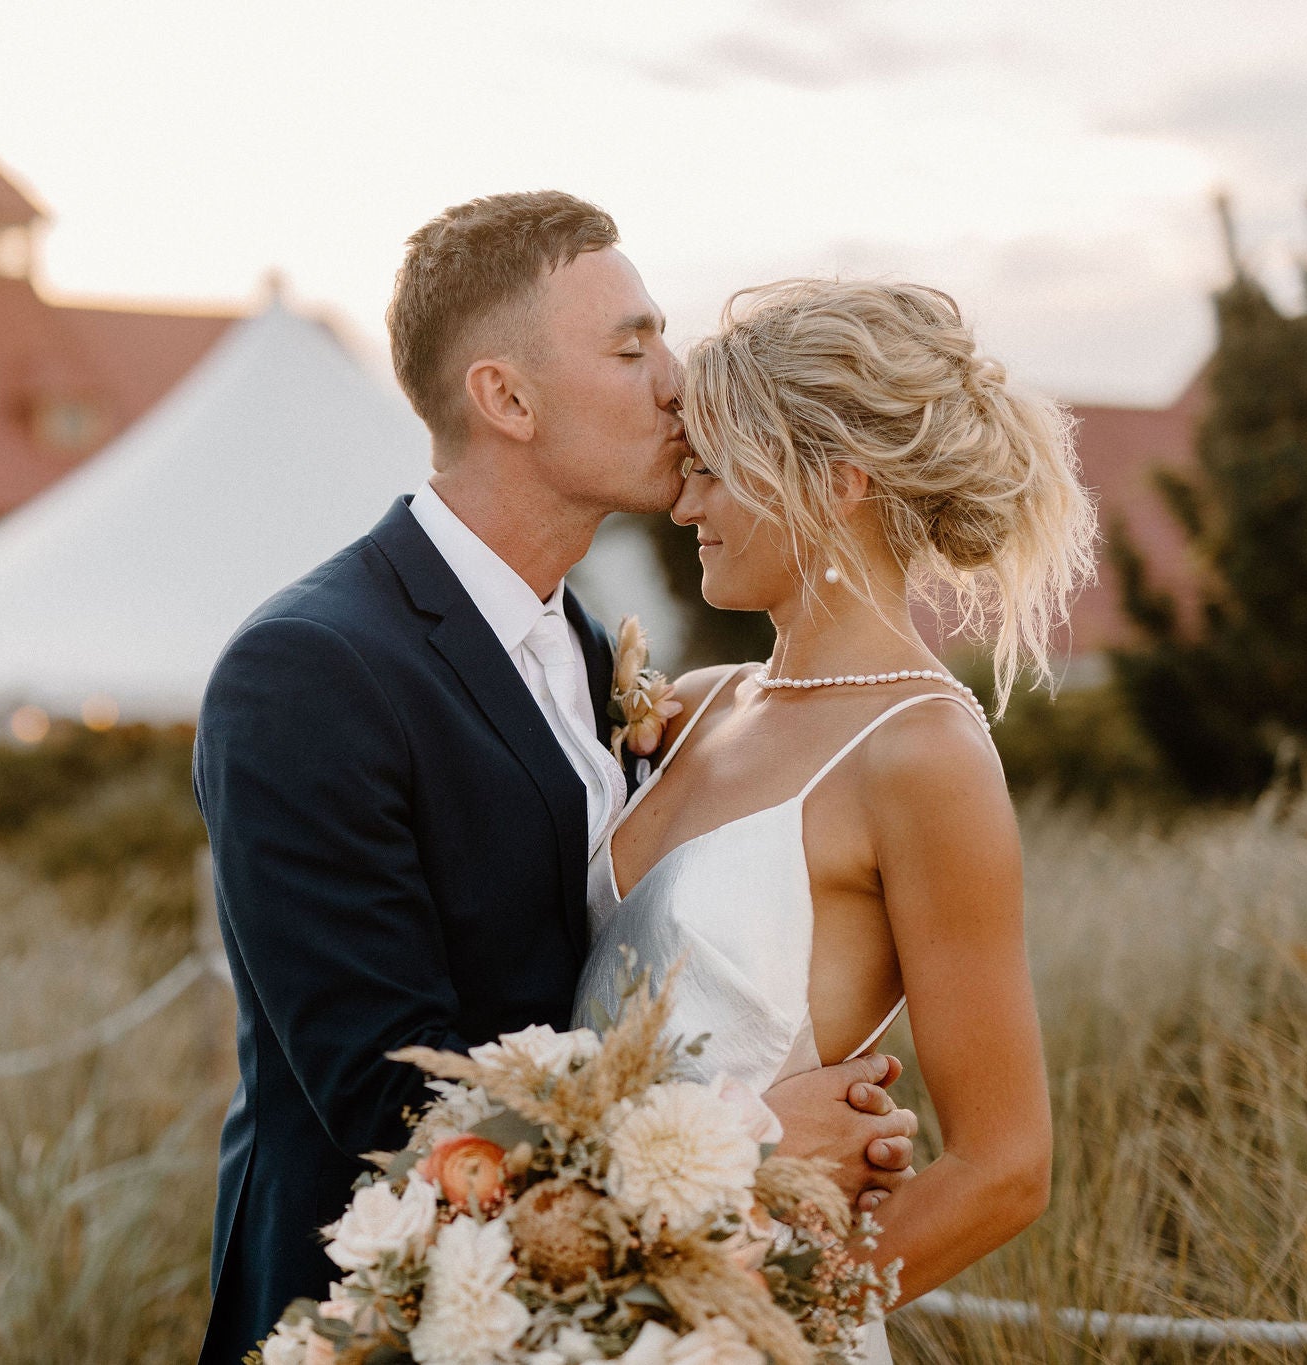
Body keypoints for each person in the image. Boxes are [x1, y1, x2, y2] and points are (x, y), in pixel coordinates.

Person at [193, 197, 921, 1362]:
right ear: (506, 400)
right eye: (630, 350)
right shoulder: (309, 671)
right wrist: (746, 1143)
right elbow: (397, 1108)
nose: (676, 384)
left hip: (591, 1318)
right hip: (374, 1321)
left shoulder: (584, 649)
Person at [575, 279, 1096, 1359]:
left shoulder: (922, 756)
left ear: (835, 483)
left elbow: (1003, 1169)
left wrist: (745, 1315)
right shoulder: (698, 705)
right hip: (578, 1279)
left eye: (712, 473)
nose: (684, 507)